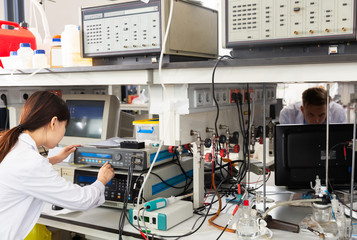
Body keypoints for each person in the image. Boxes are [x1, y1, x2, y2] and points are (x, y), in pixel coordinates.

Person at [0, 91, 115, 239]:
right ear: (54, 122)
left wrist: (54, 159)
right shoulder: (30, 162)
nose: (64, 132)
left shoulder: (12, 144)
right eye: (65, 126)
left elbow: (18, 170)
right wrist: (102, 180)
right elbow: (82, 200)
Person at [279, 87, 347, 124]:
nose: (316, 121)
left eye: (321, 115)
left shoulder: (338, 112)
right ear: (302, 109)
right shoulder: (287, 114)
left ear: (327, 109)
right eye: (311, 115)